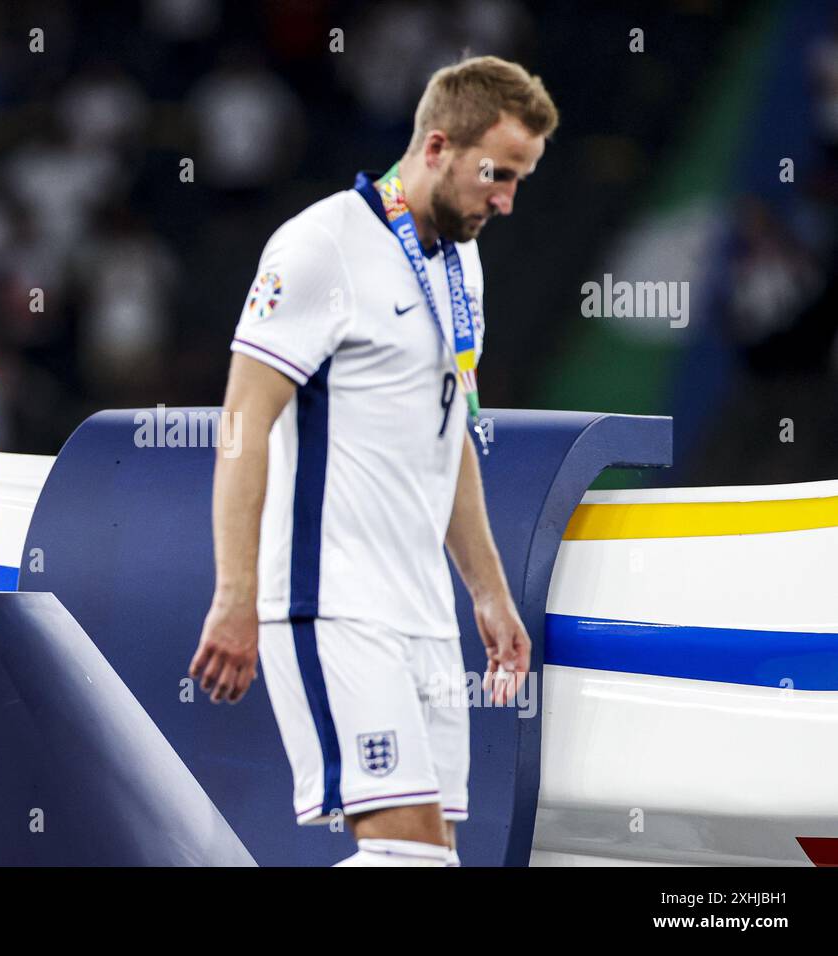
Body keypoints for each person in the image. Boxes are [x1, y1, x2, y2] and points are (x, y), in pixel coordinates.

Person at [189, 56, 557, 867]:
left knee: (432, 859)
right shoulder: (322, 245)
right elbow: (244, 422)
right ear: (436, 146)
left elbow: (447, 433)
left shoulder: (462, 263)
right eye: (498, 173)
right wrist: (236, 592)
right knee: (406, 858)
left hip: (423, 612)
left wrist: (489, 597)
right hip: (331, 600)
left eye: (521, 180)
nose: (506, 199)